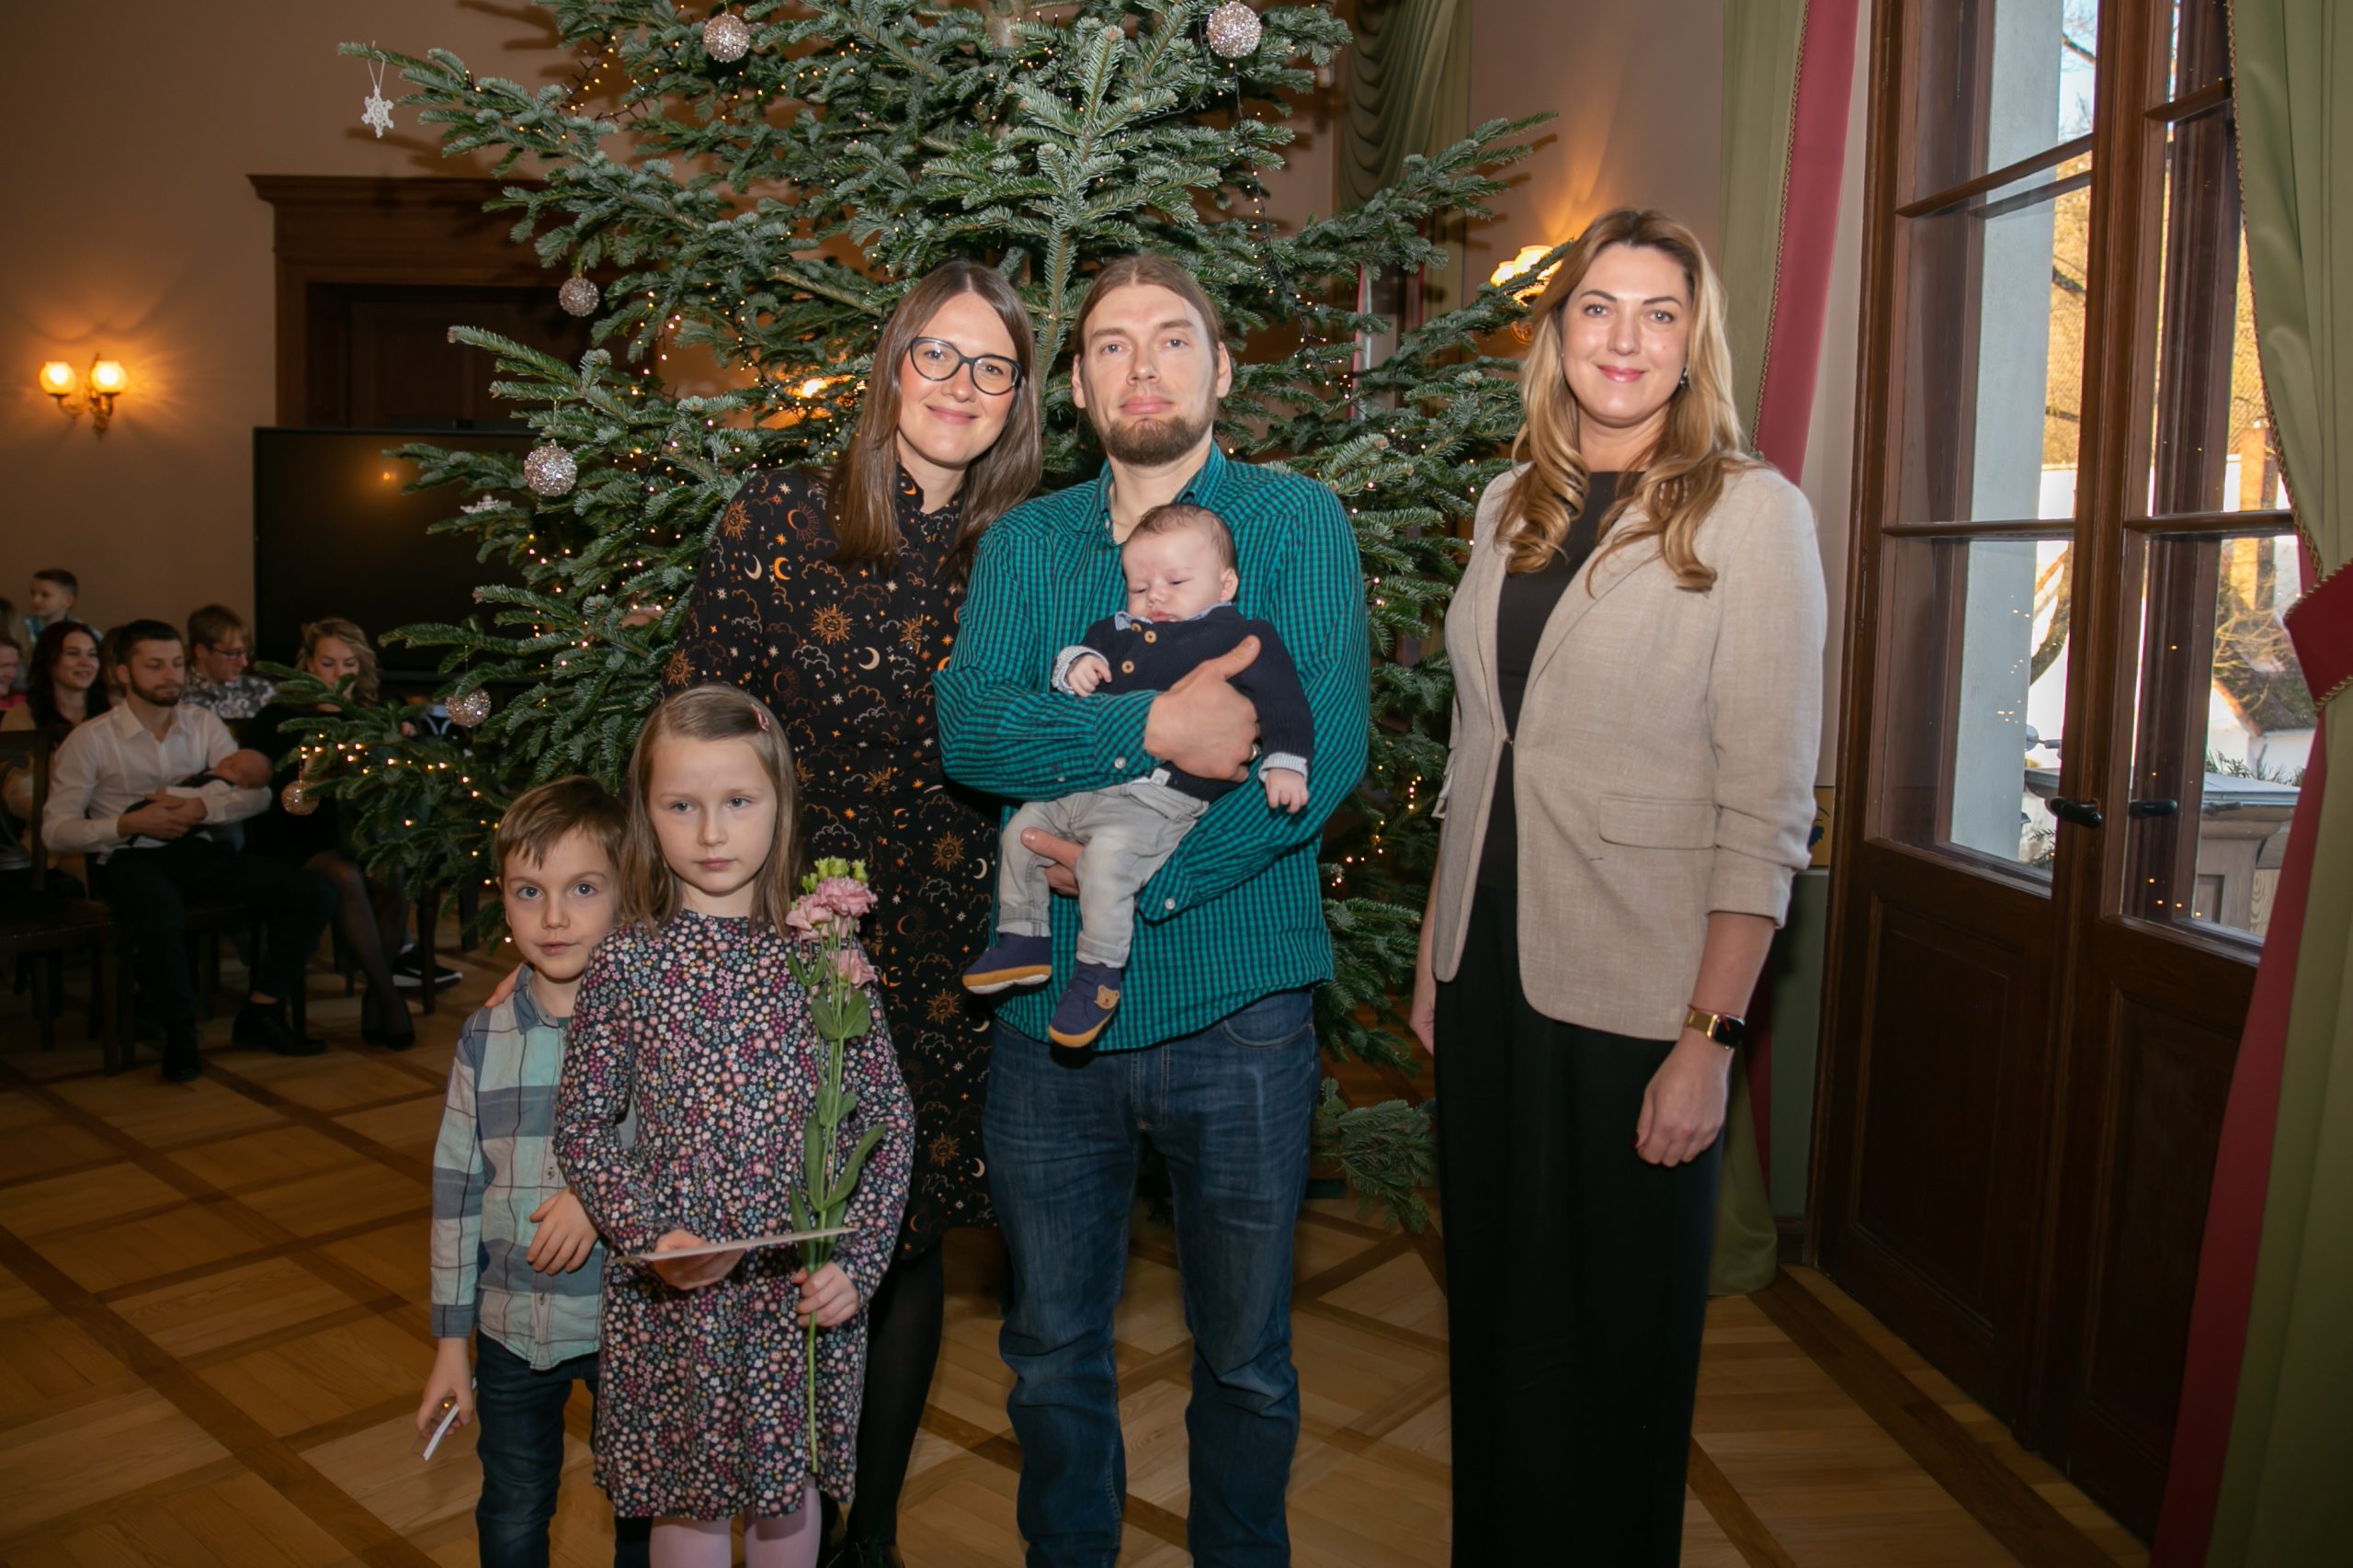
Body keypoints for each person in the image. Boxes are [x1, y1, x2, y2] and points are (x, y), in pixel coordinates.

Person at [936, 254, 1370, 1566]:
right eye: (1112, 345)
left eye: (1172, 339)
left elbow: (1324, 749)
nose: (1143, 367)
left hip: (1240, 1008)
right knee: (1049, 1350)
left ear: (1221, 367)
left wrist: (1138, 878)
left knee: (1246, 1358)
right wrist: (1151, 729)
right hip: (1048, 1034)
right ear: (1077, 384)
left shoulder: (1295, 523)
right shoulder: (1029, 542)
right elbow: (974, 727)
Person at [1407, 209, 1825, 1564]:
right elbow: (1477, 746)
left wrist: (1710, 1038)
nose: (1625, 339)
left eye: (1659, 313)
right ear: (1558, 331)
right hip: (1487, 970)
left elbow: (1766, 809)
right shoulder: (1506, 502)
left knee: (1615, 1343)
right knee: (1497, 1314)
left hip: (1642, 991)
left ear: (1693, 343)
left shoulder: (1753, 515)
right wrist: (1434, 951)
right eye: (1598, 307)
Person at [665, 257, 1040, 1566]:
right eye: (938, 353)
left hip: (947, 950)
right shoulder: (779, 514)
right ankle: (747, 1511)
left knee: (903, 1231)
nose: (960, 385)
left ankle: (861, 1535)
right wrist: (697, 927)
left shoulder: (1026, 548)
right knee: (764, 1229)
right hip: (782, 933)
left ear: (1019, 397)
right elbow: (698, 730)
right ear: (892, 363)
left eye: (993, 366)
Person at [553, 685, 915, 1568]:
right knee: (690, 1499)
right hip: (678, 1295)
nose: (712, 833)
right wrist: (648, 1234)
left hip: (794, 1290)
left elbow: (887, 1121)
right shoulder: (627, 961)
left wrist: (859, 1265)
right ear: (645, 814)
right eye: (681, 806)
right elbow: (583, 1127)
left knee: (790, 1499)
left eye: (739, 802)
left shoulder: (825, 955)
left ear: (780, 803)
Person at [963, 501, 1313, 1048]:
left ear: (1226, 585)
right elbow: (1073, 663)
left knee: (1105, 862)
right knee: (1021, 831)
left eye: (1176, 581)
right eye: (1139, 586)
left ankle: (1098, 974)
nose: (1155, 597)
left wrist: (1286, 761)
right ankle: (1022, 936)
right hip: (1089, 787)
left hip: (1162, 799)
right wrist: (1075, 666)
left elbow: (1285, 704)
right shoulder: (1116, 630)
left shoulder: (1241, 637)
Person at [419, 775, 651, 1568]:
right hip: (510, 1330)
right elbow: (455, 1193)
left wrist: (598, 1197)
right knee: (513, 1508)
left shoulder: (652, 1024)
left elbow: (685, 1154)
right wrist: (451, 1345)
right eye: (529, 892)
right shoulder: (483, 1036)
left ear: (626, 896)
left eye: (583, 889)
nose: (554, 917)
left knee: (643, 1514)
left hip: (628, 1324)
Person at [41, 619, 336, 1081]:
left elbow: (257, 796)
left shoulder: (203, 724)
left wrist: (202, 808)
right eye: (154, 666)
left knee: (315, 891)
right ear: (122, 673)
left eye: (176, 664)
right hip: (125, 856)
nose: (170, 676)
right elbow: (55, 831)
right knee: (160, 909)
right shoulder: (91, 738)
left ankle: (262, 1010)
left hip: (197, 848)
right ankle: (178, 1030)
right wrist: (125, 823)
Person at [246, 618, 417, 1048]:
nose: (340, 674)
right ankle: (388, 999)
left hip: (361, 835)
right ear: (307, 664)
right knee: (345, 877)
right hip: (295, 835)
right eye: (328, 663)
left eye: (349, 664)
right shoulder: (277, 718)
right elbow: (267, 793)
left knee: (392, 872)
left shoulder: (373, 718)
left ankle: (377, 998)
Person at [3, 621, 108, 738]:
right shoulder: (22, 716)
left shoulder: (113, 712)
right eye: (73, 653)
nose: (85, 663)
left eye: (92, 654)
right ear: (49, 659)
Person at [181, 604, 275, 728]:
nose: (244, 663)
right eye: (233, 654)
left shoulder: (260, 690)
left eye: (247, 653)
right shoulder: (177, 696)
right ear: (201, 651)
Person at [23, 568, 80, 650]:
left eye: (45, 595)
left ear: (68, 601)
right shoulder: (19, 627)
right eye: (33, 593)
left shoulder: (81, 631)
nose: (35, 600)